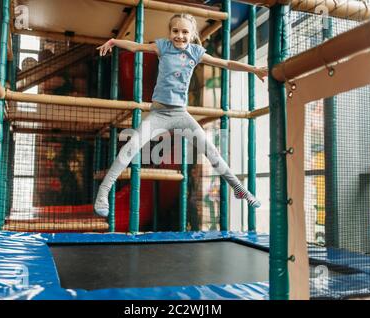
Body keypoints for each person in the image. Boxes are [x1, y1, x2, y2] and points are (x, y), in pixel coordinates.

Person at [94, 13, 267, 217]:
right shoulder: (163, 47)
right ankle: (103, 194)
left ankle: (239, 189)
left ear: (192, 34)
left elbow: (227, 64)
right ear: (170, 32)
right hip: (159, 113)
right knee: (131, 147)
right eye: (175, 31)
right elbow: (137, 46)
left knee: (212, 152)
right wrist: (114, 41)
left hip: (180, 114)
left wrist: (254, 69)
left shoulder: (196, 52)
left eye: (185, 32)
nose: (179, 36)